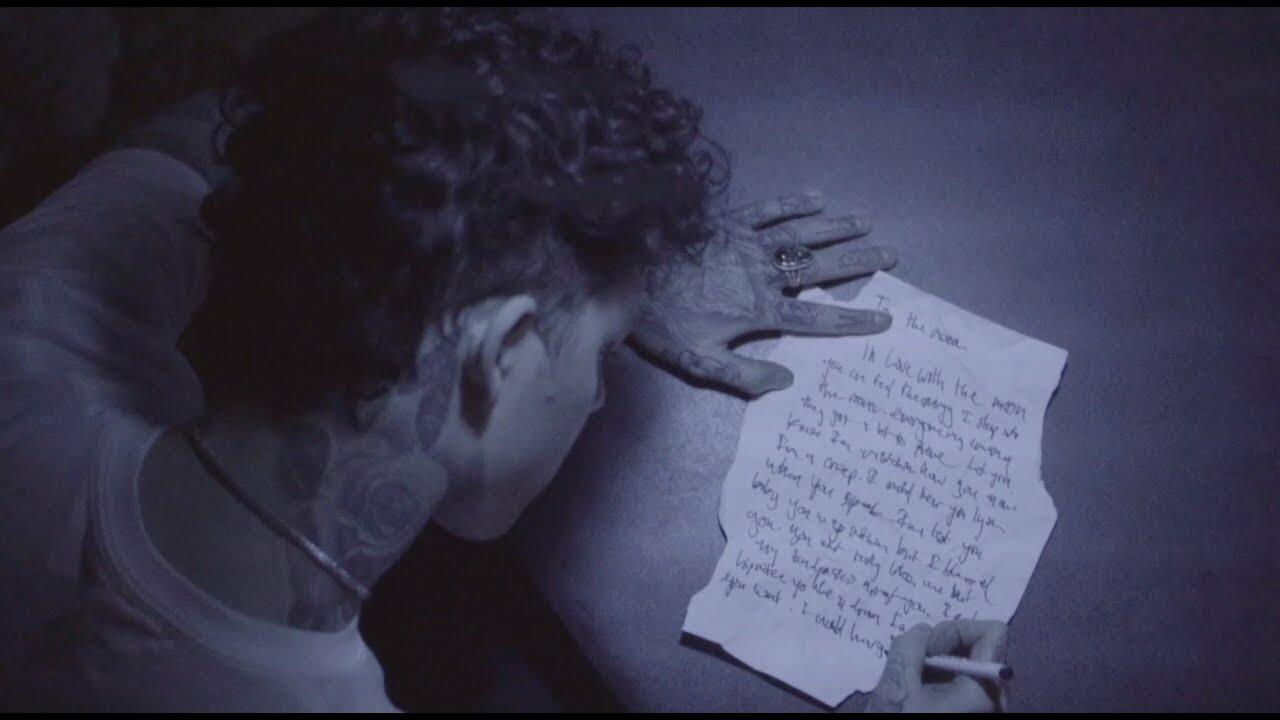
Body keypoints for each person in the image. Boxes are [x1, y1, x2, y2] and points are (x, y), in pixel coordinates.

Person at [0, 7, 1002, 712]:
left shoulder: (33, 316)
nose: (598, 398)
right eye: (599, 354)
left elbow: (237, 131)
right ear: (503, 350)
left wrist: (566, 262)